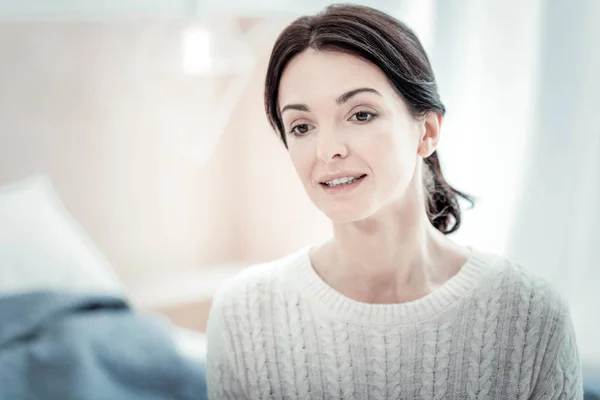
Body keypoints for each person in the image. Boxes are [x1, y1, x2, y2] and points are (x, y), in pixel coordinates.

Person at [206, 4, 583, 399]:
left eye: (361, 115)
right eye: (302, 126)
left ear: (428, 131)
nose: (327, 150)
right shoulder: (244, 315)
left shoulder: (531, 318)